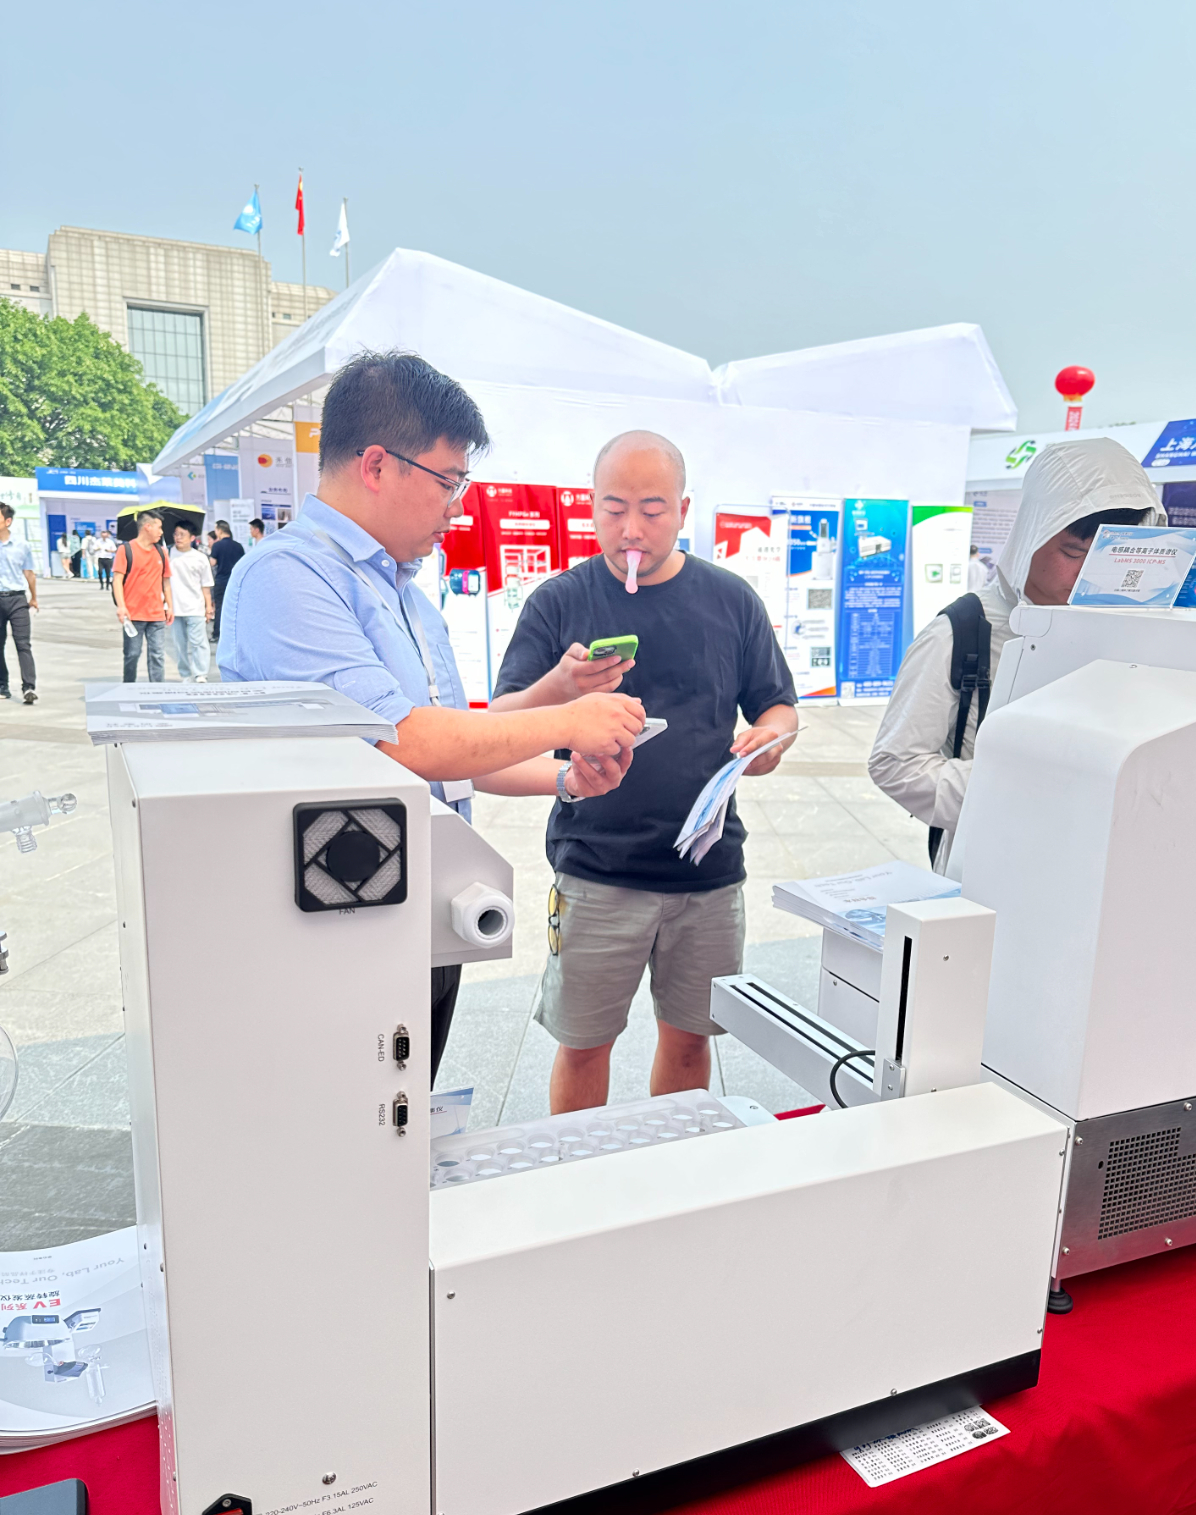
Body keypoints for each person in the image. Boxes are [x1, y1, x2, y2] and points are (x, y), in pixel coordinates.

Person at [218, 349, 645, 1080]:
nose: (458, 504)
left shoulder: (407, 595)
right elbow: (405, 742)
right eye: (449, 481)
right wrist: (568, 722)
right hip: (337, 922)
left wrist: (567, 775)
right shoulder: (288, 577)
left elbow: (456, 756)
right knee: (354, 1113)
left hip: (421, 909)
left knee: (404, 1111)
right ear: (376, 465)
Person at [490, 430, 798, 1114]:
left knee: (691, 1042)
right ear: (591, 506)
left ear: (683, 510)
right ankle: (580, 1170)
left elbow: (777, 704)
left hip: (708, 870)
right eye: (614, 508)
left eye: (653, 510)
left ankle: (672, 1163)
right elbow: (499, 725)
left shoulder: (731, 599)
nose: (631, 528)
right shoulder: (559, 601)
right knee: (582, 1045)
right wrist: (560, 686)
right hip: (597, 868)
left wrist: (771, 739)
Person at [869, 438, 1165, 871]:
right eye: (1073, 552)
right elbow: (895, 764)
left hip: (1100, 863)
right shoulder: (960, 631)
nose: (1088, 574)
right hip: (990, 867)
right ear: (1032, 532)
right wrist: (1022, 785)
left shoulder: (1124, 630)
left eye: (1110, 556)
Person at [112, 510, 173, 682]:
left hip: (157, 615)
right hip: (133, 615)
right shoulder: (126, 550)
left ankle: (157, 690)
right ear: (147, 527)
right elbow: (117, 580)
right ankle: (128, 687)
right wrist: (121, 607)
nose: (161, 532)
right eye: (159, 527)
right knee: (132, 654)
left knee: (157, 656)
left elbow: (166, 582)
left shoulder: (161, 552)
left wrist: (170, 606)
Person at [0, 502, 38, 704]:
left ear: (8, 521)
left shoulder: (22, 545)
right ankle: (2, 686)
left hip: (17, 600)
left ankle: (28, 687)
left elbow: (29, 573)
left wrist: (34, 597)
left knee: (23, 644)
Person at [167, 523, 215, 681]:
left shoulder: (200, 558)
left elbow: (206, 585)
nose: (178, 538)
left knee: (198, 642)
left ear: (192, 537)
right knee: (179, 645)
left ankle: (201, 673)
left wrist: (208, 607)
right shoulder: (168, 555)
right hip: (175, 608)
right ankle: (185, 674)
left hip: (195, 607)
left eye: (182, 534)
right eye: (176, 534)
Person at [209, 520, 246, 641]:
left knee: (220, 607)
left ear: (220, 531)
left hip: (221, 581)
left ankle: (217, 634)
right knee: (235, 608)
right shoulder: (238, 546)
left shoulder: (217, 545)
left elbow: (212, 563)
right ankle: (236, 633)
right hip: (235, 582)